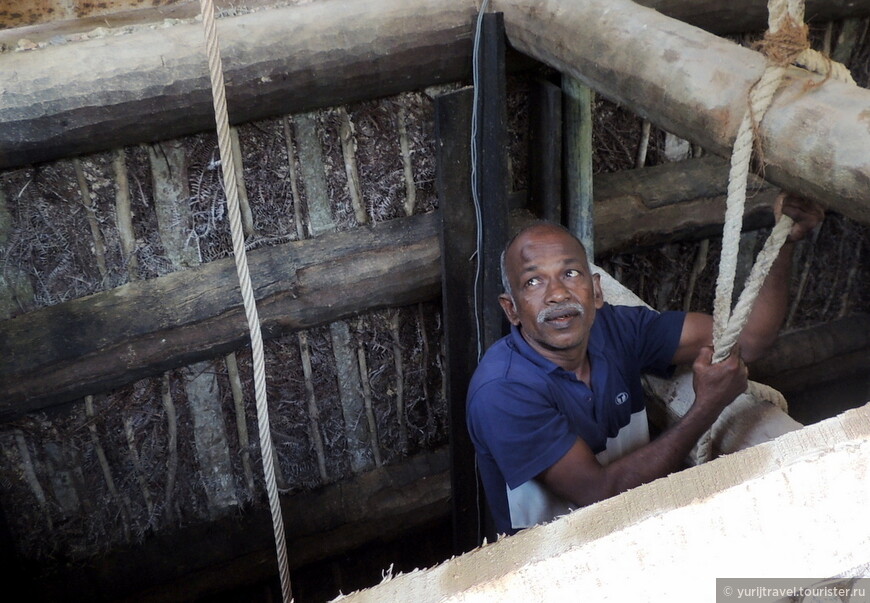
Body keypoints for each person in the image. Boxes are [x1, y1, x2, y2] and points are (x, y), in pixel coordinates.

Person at [466, 192, 824, 536]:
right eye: (533, 281)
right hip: (555, 564)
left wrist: (784, 243)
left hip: (639, 527)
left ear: (597, 290)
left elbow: (748, 338)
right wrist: (707, 407)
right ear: (511, 309)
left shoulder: (617, 329)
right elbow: (599, 494)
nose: (557, 293)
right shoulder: (502, 390)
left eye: (570, 274)